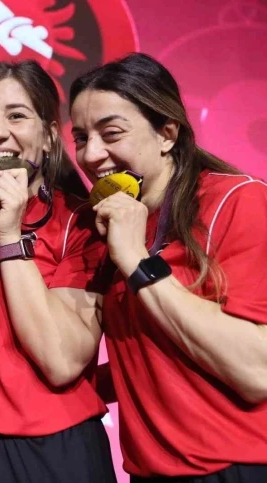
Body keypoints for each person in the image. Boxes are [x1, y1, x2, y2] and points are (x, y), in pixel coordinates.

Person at [69, 52, 267, 482]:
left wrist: (138, 261)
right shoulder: (110, 223)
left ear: (167, 133)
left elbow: (257, 372)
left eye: (111, 133)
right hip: (148, 473)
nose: (92, 154)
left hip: (233, 468)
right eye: (81, 138)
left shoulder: (238, 202)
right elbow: (152, 354)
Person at [0, 61, 117, 483]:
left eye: (16, 116)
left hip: (63, 451)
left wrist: (9, 237)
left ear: (49, 136)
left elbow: (61, 360)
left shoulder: (84, 223)